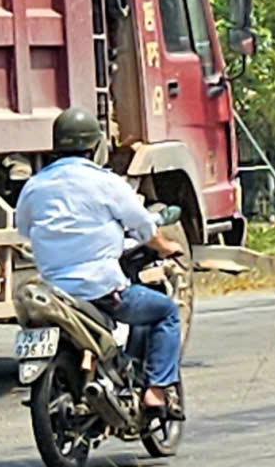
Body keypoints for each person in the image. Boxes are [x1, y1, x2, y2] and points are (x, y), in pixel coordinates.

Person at [14, 108, 188, 416]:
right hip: (102, 291)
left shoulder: (34, 186)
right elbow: (144, 228)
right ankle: (156, 392)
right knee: (166, 312)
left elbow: (25, 230)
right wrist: (164, 246)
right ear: (95, 147)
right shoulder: (106, 183)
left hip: (54, 294)